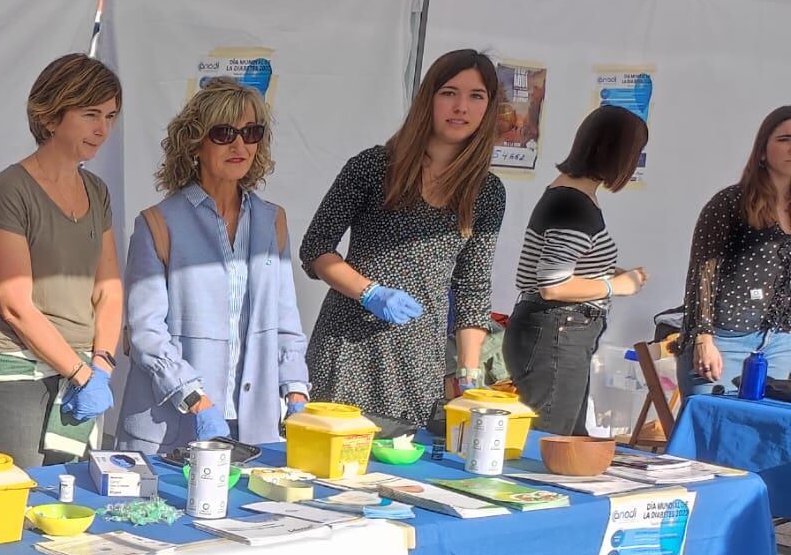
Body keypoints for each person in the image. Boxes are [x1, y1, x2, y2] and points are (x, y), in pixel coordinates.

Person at [300, 49, 506, 426]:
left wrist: (468, 376)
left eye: (476, 96)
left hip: (417, 361)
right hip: (349, 346)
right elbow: (315, 249)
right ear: (428, 98)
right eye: (449, 92)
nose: (461, 106)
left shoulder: (487, 191)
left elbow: (473, 288)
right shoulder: (373, 165)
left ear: (489, 107)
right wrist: (369, 292)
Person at [119, 77, 308, 453]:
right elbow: (145, 333)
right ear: (195, 144)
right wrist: (196, 399)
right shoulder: (157, 223)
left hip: (255, 426)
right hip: (173, 425)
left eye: (251, 132)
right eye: (224, 133)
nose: (240, 145)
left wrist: (296, 390)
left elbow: (286, 325)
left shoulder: (274, 221)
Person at [0, 54, 123, 468]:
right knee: (5, 516)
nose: (103, 129)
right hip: (15, 377)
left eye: (110, 116)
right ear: (50, 116)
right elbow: (15, 306)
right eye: (90, 114)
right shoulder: (11, 189)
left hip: (79, 378)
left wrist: (101, 364)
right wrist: (82, 375)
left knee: (67, 513)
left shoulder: (96, 190)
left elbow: (109, 288)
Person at [503, 106, 651, 434]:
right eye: (635, 153)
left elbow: (565, 261)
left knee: (565, 436)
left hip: (557, 331)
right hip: (557, 330)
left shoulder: (570, 196)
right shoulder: (574, 205)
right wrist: (617, 286)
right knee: (551, 439)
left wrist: (610, 272)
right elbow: (552, 285)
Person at [678, 105, 791, 395]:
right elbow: (703, 273)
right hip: (724, 339)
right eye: (785, 139)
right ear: (762, 151)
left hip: (781, 344)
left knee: (764, 434)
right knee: (713, 431)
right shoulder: (729, 202)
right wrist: (703, 337)